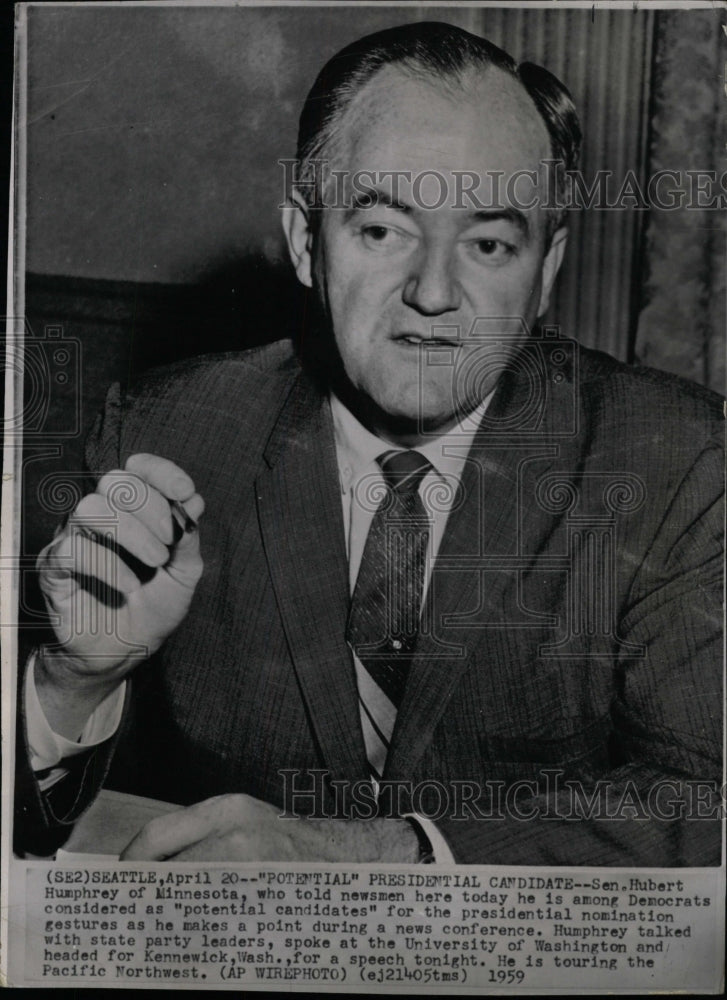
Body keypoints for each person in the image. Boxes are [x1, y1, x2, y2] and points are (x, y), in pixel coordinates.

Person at [15, 21, 723, 865]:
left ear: (546, 270)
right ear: (308, 244)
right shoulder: (168, 431)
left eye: (489, 243)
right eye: (383, 231)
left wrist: (379, 852)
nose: (432, 291)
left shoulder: (673, 456)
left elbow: (706, 802)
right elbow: (60, 824)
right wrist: (75, 681)